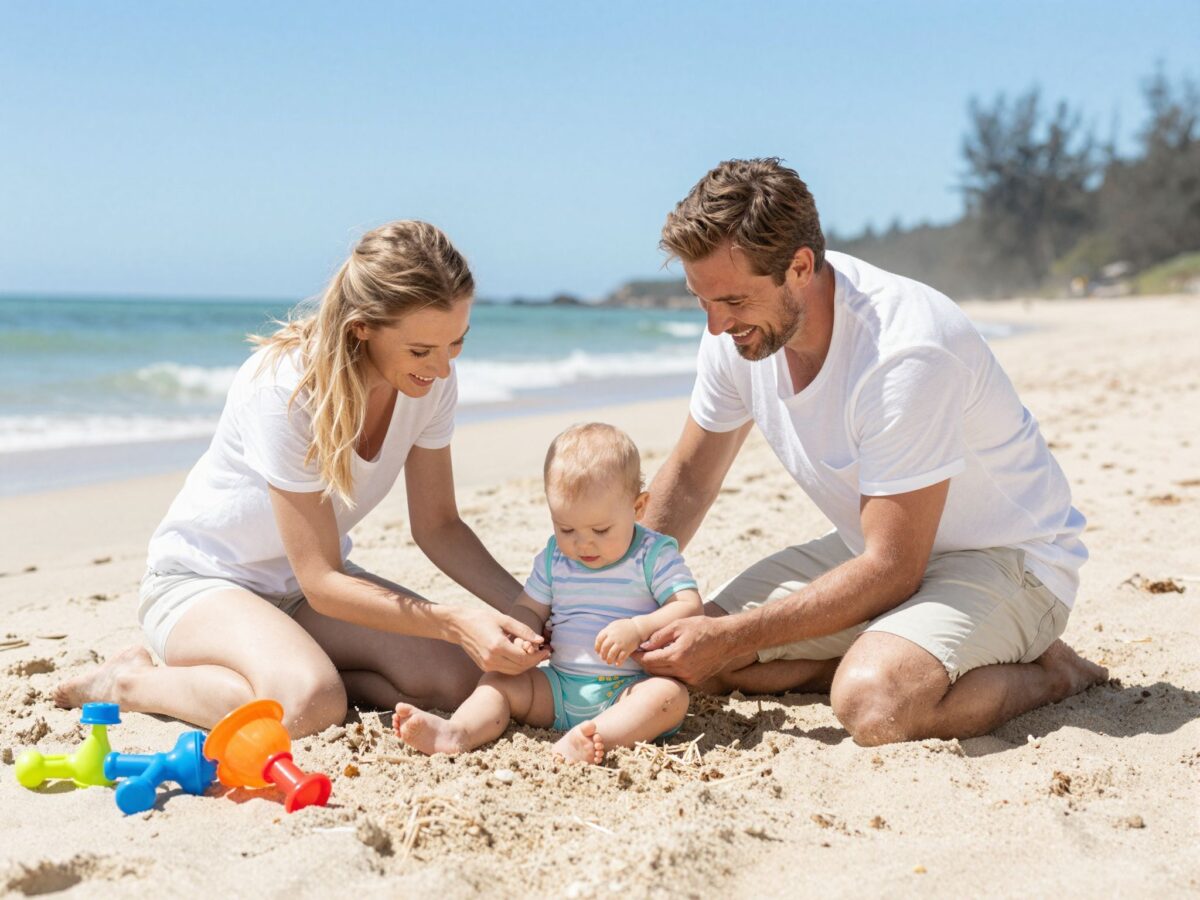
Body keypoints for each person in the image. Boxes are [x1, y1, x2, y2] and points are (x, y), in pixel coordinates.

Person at [634, 158, 1108, 746]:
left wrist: (736, 634)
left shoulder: (904, 351)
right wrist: (611, 589)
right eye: (701, 300)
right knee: (699, 654)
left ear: (799, 267)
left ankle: (1049, 672)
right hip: (882, 544)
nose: (714, 326)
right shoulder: (739, 334)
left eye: (731, 301)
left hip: (1009, 560)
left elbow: (892, 567)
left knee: (876, 703)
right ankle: (904, 650)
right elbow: (689, 478)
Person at [54, 221, 548, 736]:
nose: (443, 369)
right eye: (422, 350)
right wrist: (452, 620)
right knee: (309, 703)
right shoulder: (286, 388)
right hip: (205, 582)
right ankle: (130, 682)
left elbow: (439, 526)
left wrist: (531, 611)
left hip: (300, 594)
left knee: (463, 680)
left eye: (456, 344)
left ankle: (295, 665)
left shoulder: (429, 382)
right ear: (362, 327)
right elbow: (322, 581)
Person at [393, 423, 700, 763]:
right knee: (498, 682)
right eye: (565, 527)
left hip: (626, 689)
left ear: (638, 507)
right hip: (555, 687)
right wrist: (524, 633)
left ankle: (598, 736)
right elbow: (529, 607)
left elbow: (688, 606)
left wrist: (639, 628)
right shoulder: (555, 557)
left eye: (601, 529)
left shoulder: (652, 555)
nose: (583, 543)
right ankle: (458, 731)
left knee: (669, 697)